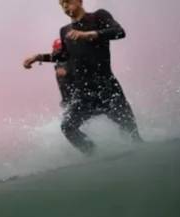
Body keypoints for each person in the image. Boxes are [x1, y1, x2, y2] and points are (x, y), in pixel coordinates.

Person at [23, 0, 142, 155]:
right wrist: (38, 57)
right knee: (68, 127)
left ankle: (140, 153)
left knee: (130, 131)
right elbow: (63, 56)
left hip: (107, 87)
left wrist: (90, 34)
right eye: (61, 4)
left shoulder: (98, 16)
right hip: (84, 92)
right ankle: (93, 154)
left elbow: (119, 32)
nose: (65, 7)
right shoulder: (65, 31)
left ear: (79, 1)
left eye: (68, 2)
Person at [52, 38, 72, 108]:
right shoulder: (59, 62)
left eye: (59, 50)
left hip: (75, 100)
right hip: (68, 101)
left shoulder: (68, 62)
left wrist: (67, 71)